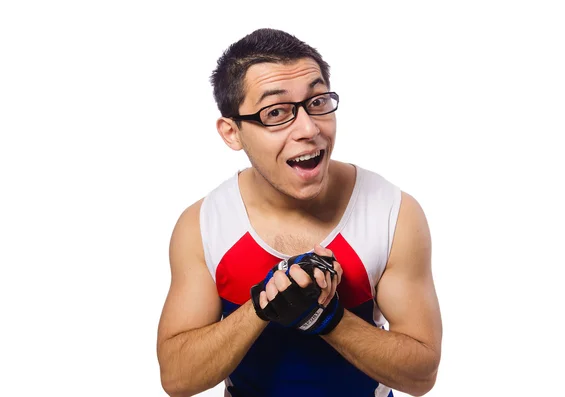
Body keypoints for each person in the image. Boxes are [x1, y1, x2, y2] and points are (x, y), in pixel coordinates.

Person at [156, 28, 443, 397]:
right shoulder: (203, 224)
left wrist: (326, 319)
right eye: (276, 112)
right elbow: (177, 379)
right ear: (232, 132)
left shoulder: (392, 212)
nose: (309, 128)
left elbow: (421, 377)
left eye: (318, 102)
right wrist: (261, 308)